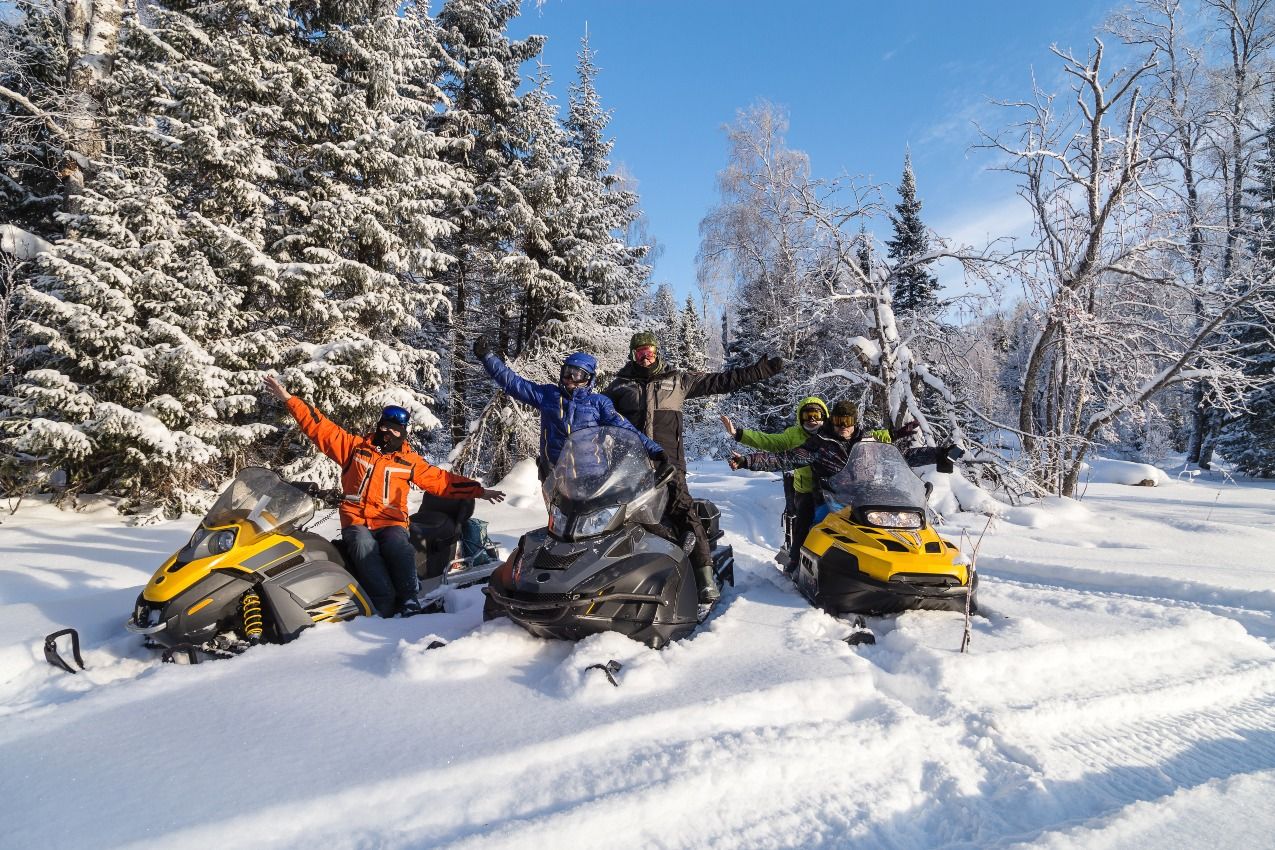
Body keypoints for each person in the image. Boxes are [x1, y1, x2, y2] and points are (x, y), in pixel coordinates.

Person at [262, 375, 505, 618]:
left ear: (403, 433)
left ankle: (410, 597)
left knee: (398, 545)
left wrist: (479, 491)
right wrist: (289, 399)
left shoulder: (408, 461)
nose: (387, 433)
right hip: (356, 519)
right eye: (384, 427)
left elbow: (441, 481)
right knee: (362, 544)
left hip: (391, 520)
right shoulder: (355, 449)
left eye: (393, 429)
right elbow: (320, 428)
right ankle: (383, 601)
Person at [604, 331, 784, 605]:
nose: (645, 357)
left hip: (670, 464)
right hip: (630, 466)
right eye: (640, 353)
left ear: (658, 352)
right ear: (632, 355)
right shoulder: (619, 386)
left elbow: (721, 381)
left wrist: (759, 370)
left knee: (684, 511)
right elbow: (590, 410)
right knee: (620, 516)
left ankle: (704, 577)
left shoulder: (677, 380)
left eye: (650, 351)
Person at [728, 400, 962, 562]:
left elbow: (904, 454)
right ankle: (798, 561)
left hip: (866, 497)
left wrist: (940, 453)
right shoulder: (819, 444)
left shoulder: (868, 440)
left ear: (855, 421)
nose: (843, 427)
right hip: (832, 499)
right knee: (813, 527)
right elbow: (784, 458)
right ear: (832, 420)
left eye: (848, 420)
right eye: (839, 421)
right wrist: (748, 461)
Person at [472, 340, 671, 479]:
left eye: (577, 375)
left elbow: (626, 429)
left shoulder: (599, 403)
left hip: (593, 475)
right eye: (567, 373)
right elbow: (514, 384)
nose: (570, 379)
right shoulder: (548, 396)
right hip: (556, 474)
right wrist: (488, 358)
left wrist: (655, 450)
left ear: (589, 378)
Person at [719, 397, 829, 571]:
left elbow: (859, 437)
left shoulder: (830, 433)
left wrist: (887, 433)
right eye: (808, 415)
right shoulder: (794, 434)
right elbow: (769, 441)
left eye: (816, 414)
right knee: (803, 524)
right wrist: (739, 434)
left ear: (824, 416)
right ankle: (794, 562)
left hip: (832, 489)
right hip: (806, 490)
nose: (812, 420)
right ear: (801, 418)